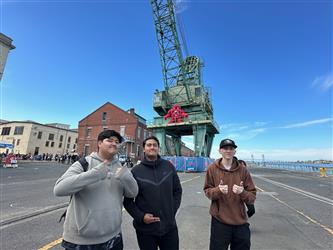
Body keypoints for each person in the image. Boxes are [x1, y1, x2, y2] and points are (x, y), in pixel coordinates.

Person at [54, 129, 138, 250]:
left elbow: (133, 192)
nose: (114, 143)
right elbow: (59, 189)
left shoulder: (120, 167)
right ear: (99, 143)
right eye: (109, 140)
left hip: (114, 237)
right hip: (82, 241)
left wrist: (125, 177)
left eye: (116, 141)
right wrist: (95, 174)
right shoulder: (84, 163)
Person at [123, 136, 182, 250]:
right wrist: (141, 217)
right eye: (149, 145)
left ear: (158, 148)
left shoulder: (169, 167)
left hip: (169, 227)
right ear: (144, 149)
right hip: (145, 230)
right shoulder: (136, 171)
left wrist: (172, 210)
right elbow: (128, 200)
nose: (152, 147)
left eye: (155, 145)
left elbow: (177, 191)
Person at [204, 139, 256, 250]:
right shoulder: (212, 169)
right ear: (220, 151)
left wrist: (242, 192)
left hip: (240, 222)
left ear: (234, 152)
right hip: (220, 222)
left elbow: (252, 197)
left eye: (231, 148)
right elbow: (207, 192)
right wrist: (218, 190)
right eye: (225, 148)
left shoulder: (243, 171)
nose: (228, 150)